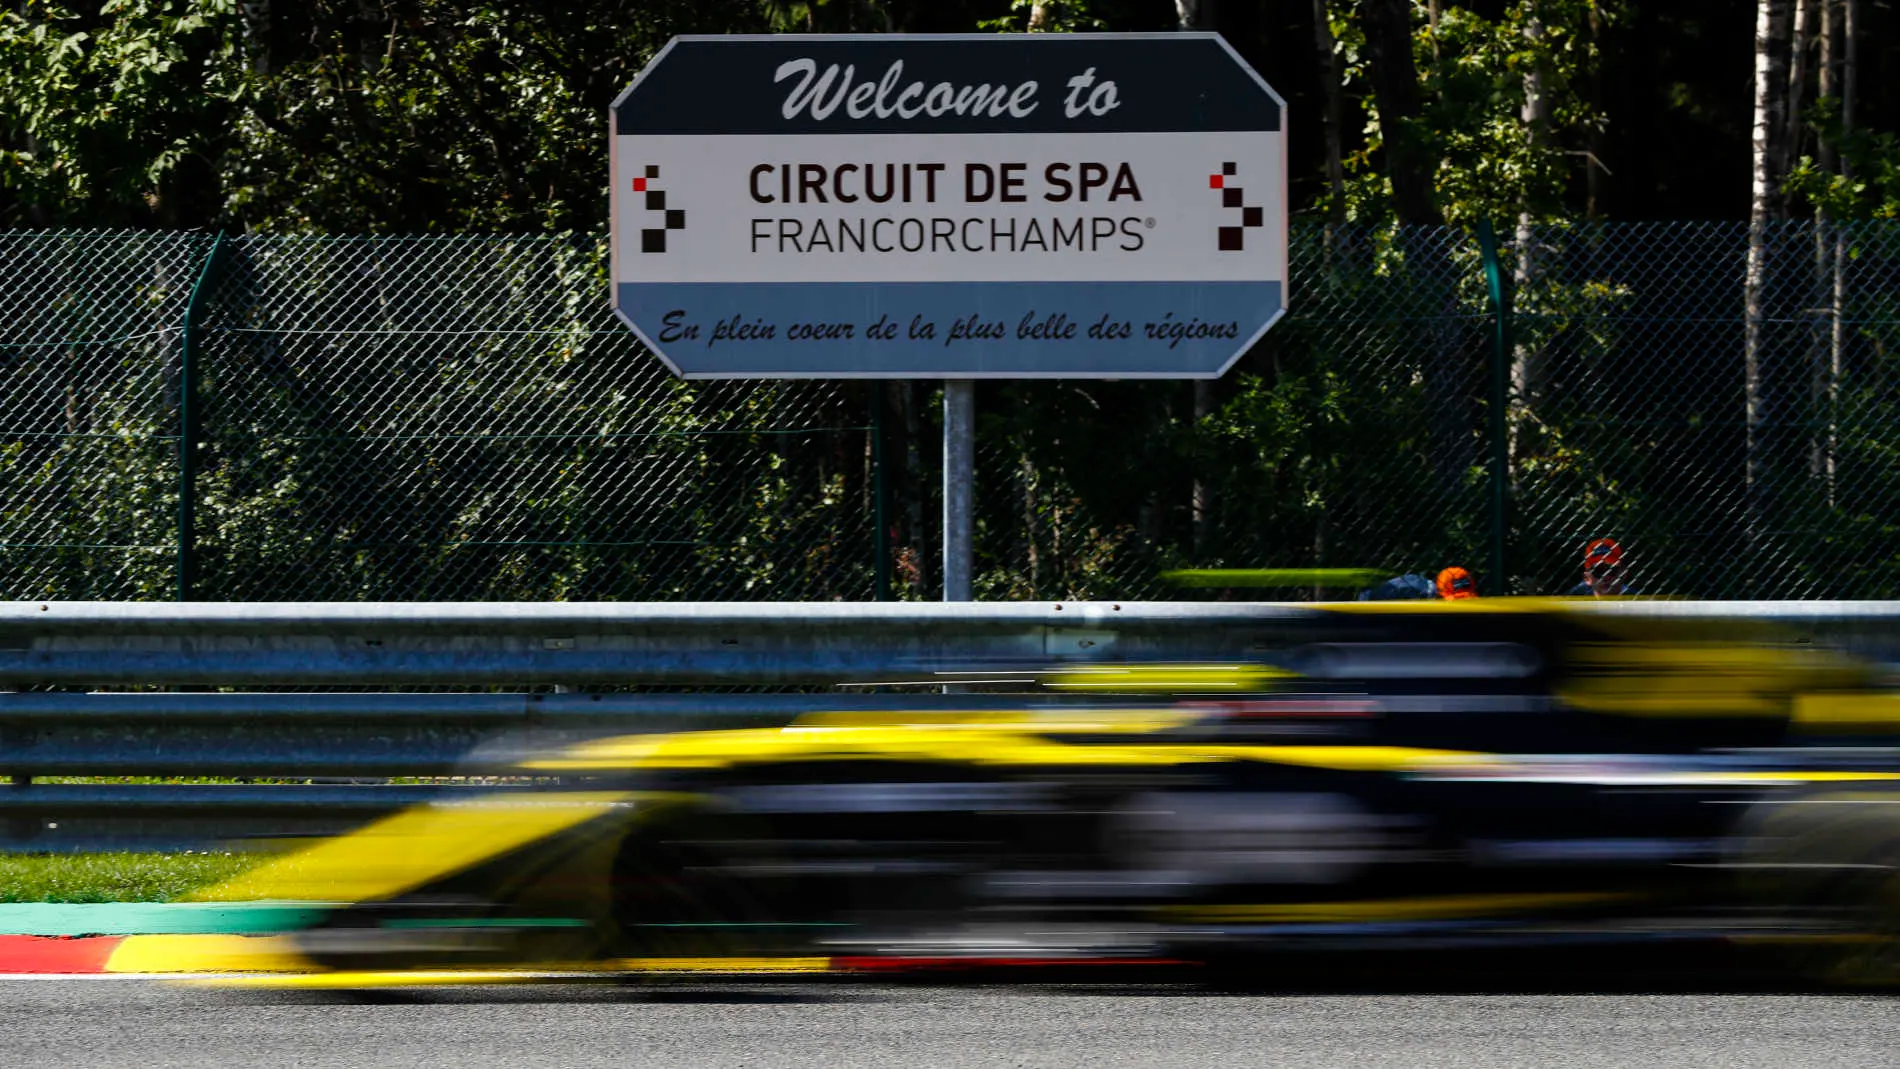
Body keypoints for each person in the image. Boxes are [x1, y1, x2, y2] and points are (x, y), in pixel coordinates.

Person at [1569, 537, 1634, 596]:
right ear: (1586, 578)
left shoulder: (1635, 598)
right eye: (1598, 571)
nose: (1605, 577)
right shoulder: (1573, 597)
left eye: (1612, 570)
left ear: (1624, 573)